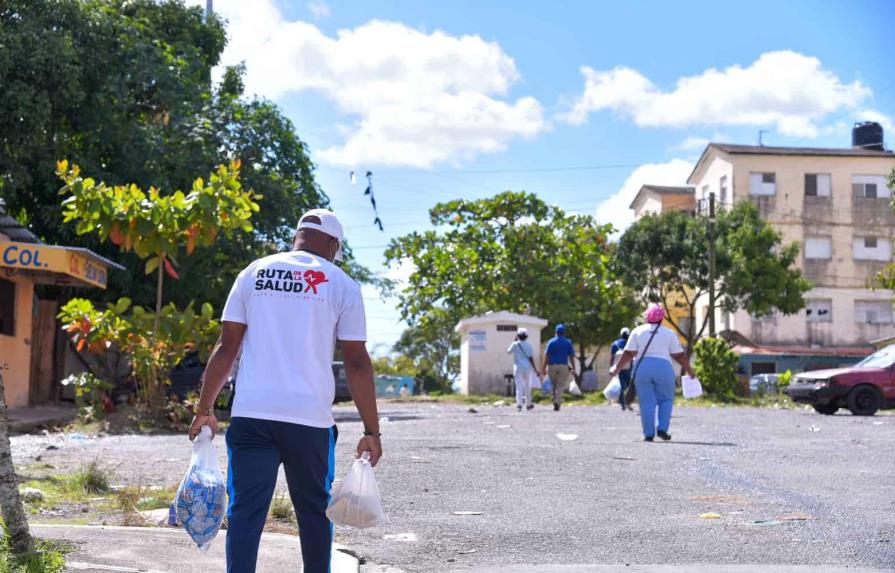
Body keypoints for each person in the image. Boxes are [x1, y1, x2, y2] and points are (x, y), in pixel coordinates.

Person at [188, 209, 382, 573]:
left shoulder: (253, 272)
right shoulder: (341, 284)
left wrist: (204, 409)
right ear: (333, 244)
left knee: (245, 511)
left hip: (252, 414)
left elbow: (226, 347)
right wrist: (371, 431)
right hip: (309, 421)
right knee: (313, 513)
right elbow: (356, 362)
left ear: (297, 237)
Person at [609, 304, 695, 442]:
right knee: (666, 399)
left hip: (642, 369)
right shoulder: (669, 333)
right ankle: (662, 429)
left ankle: (649, 434)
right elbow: (679, 355)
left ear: (647, 317)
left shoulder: (637, 331)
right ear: (662, 319)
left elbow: (628, 353)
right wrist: (690, 371)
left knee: (646, 401)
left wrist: (617, 368)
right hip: (664, 368)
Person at [540, 324, 577, 411]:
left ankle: (555, 399)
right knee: (560, 385)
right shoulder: (568, 342)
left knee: (554, 384)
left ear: (555, 332)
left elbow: (547, 356)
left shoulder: (551, 342)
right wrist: (574, 367)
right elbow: (571, 356)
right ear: (564, 333)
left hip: (552, 366)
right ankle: (557, 401)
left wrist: (543, 368)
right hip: (563, 366)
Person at [507, 328, 539, 411]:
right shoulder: (529, 345)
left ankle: (519, 405)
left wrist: (515, 340)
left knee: (519, 387)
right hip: (527, 369)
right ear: (526, 336)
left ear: (518, 335)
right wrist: (535, 369)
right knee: (528, 387)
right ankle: (528, 404)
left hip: (518, 368)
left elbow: (508, 351)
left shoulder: (515, 344)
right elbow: (531, 358)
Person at [610, 327, 632, 411]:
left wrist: (611, 367)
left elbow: (612, 357)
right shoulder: (630, 343)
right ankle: (628, 402)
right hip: (628, 367)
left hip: (618, 367)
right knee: (629, 385)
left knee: (621, 386)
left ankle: (623, 405)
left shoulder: (615, 344)